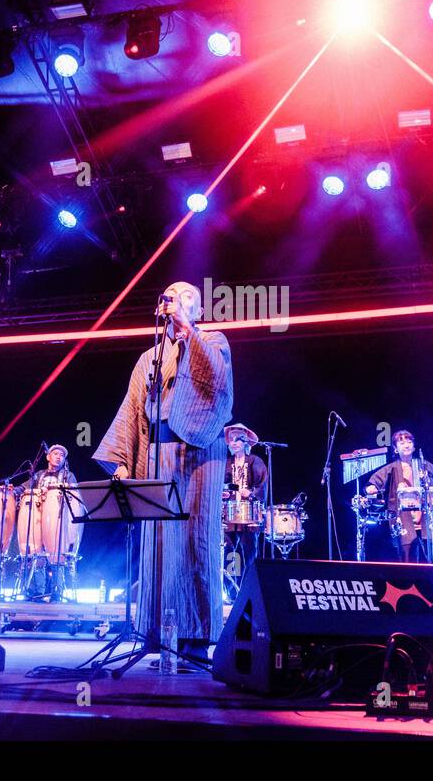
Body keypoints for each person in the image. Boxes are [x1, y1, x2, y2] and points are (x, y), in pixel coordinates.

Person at [94, 281, 233, 665]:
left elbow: (219, 384)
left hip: (198, 450)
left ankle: (193, 639)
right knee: (156, 544)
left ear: (199, 310)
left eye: (187, 296)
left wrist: (188, 330)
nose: (175, 299)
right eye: (170, 294)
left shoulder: (214, 340)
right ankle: (155, 634)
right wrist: (123, 459)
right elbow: (133, 408)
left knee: (193, 542)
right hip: (157, 451)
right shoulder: (149, 357)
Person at [366, 429, 433, 564]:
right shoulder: (392, 468)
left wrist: (428, 482)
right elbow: (374, 483)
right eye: (401, 443)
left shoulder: (423, 465)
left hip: (425, 517)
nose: (406, 445)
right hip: (403, 519)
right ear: (395, 449)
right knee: (407, 557)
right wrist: (372, 488)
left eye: (409, 442)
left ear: (413, 446)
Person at [15, 443, 84, 597]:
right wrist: (14, 490)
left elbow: (75, 494)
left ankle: (57, 592)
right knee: (36, 553)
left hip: (57, 519)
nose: (59, 457)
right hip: (38, 517)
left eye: (62, 455)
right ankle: (36, 592)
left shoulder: (68, 475)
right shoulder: (39, 475)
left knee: (57, 554)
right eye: (56, 454)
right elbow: (25, 487)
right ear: (48, 456)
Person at [222, 423, 267, 592]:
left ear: (245, 442)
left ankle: (249, 590)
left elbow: (262, 485)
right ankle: (230, 591)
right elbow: (222, 485)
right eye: (231, 440)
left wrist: (251, 493)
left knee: (249, 554)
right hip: (230, 514)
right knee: (228, 552)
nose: (233, 442)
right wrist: (224, 493)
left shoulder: (255, 461)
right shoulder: (227, 463)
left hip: (249, 514)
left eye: (237, 439)